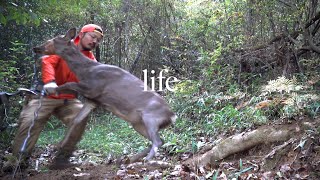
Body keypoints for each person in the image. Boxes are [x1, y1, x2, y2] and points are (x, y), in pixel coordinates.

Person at [4, 24, 104, 171]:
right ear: (81, 34)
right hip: (45, 95)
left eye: (98, 40)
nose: (95, 41)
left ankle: (61, 159)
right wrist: (50, 81)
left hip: (68, 99)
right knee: (31, 119)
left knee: (81, 116)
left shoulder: (91, 60)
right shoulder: (64, 46)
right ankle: (17, 161)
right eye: (92, 36)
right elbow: (48, 61)